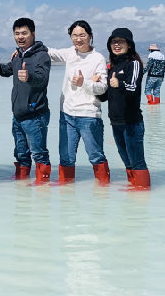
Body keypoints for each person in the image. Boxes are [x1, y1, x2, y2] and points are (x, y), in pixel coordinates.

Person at [46, 20, 110, 184]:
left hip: (89, 115)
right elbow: (49, 52)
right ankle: (67, 192)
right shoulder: (70, 53)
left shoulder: (98, 58)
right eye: (74, 36)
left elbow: (102, 87)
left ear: (90, 36)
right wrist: (22, 50)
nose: (78, 39)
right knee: (66, 157)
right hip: (67, 114)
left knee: (95, 155)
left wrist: (84, 83)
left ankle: (103, 191)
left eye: (82, 35)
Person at [0, 18, 52, 183]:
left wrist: (29, 76)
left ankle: (43, 187)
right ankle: (21, 188)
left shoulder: (42, 55)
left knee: (39, 154)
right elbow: (5, 70)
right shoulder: (18, 56)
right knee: (21, 154)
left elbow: (42, 79)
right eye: (17, 33)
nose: (20, 37)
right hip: (18, 115)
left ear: (33, 34)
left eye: (24, 33)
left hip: (35, 115)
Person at [98, 28, 150, 189]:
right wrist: (95, 85)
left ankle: (143, 191)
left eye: (121, 41)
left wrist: (119, 84)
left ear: (129, 44)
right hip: (116, 122)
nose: (117, 45)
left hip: (132, 122)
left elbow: (133, 88)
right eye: (113, 42)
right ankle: (134, 188)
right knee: (126, 160)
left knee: (137, 161)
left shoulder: (134, 64)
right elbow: (104, 97)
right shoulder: (111, 67)